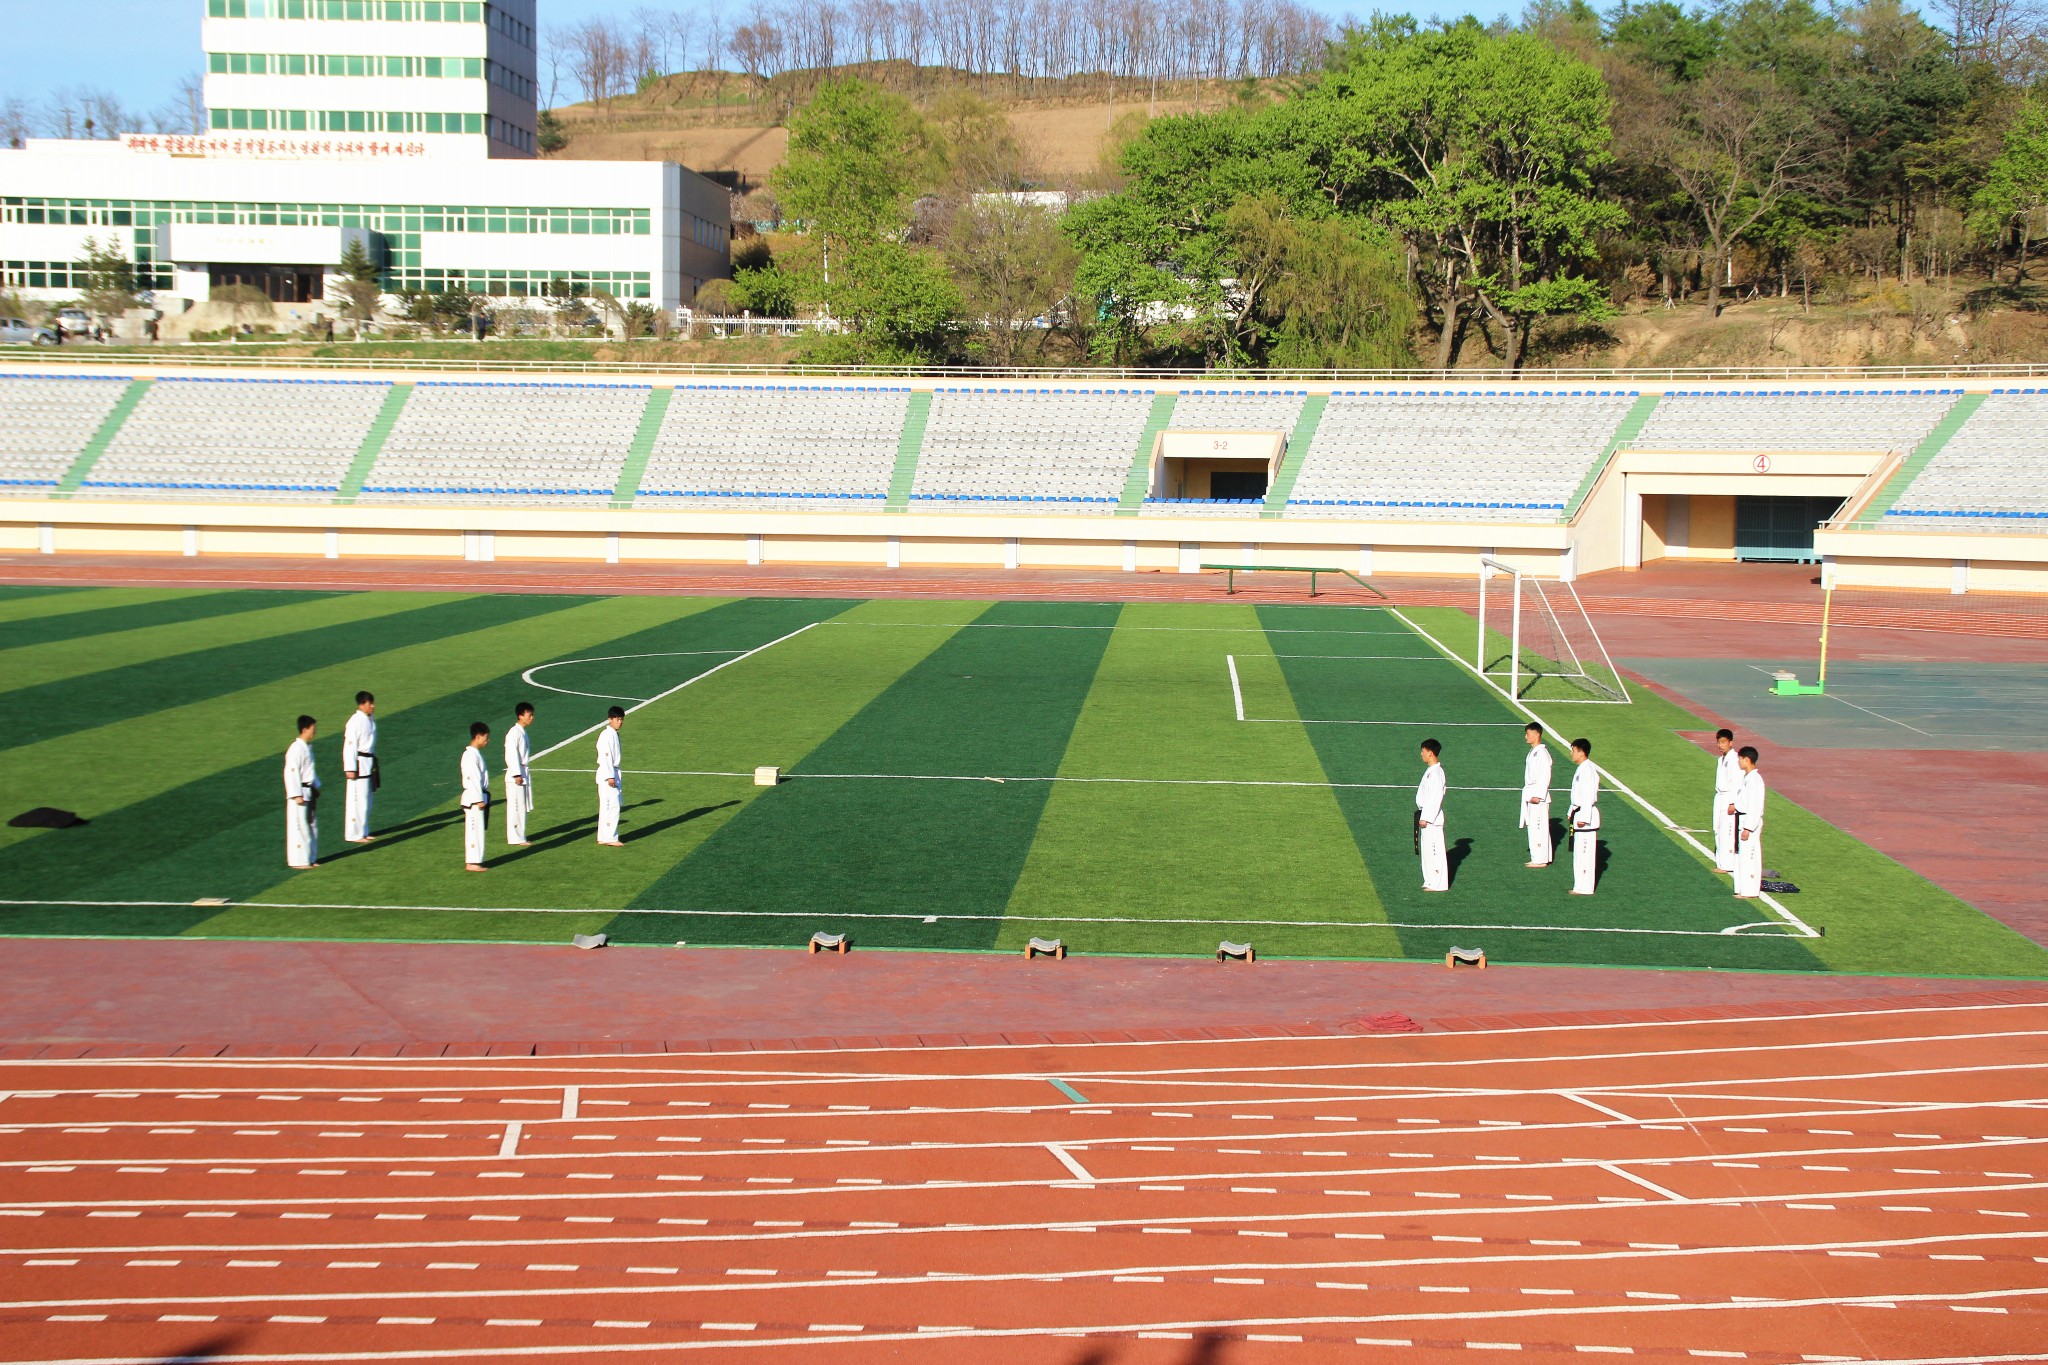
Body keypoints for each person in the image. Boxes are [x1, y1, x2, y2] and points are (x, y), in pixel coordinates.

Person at [284, 715, 320, 869]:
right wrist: (296, 793)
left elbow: (309, 771)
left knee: (311, 825)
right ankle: (299, 860)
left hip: (308, 790)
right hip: (300, 793)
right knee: (300, 827)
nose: (314, 731)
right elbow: (291, 772)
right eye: (313, 728)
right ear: (305, 729)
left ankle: (310, 857)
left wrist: (316, 786)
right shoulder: (296, 749)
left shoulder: (307, 747)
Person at [341, 690, 377, 843]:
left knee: (367, 801)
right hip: (358, 764)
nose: (373, 706)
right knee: (357, 801)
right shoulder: (355, 721)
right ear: (362, 705)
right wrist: (350, 768)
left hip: (368, 763)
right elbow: (349, 745)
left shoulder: (369, 719)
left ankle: (364, 830)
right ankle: (354, 834)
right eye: (370, 704)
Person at [1732, 746, 1767, 899]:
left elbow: (1756, 805)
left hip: (1749, 821)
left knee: (1750, 857)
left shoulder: (1755, 780)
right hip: (1741, 818)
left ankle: (1751, 890)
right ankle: (1743, 888)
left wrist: (1748, 827)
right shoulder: (1747, 778)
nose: (1738, 762)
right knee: (1742, 855)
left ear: (1747, 759)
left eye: (1740, 759)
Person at [1567, 737, 1600, 896]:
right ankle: (1579, 885)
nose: (1571, 753)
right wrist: (1571, 812)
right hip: (1579, 813)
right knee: (1579, 853)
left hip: (1586, 818)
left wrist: (1583, 817)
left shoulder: (1588, 770)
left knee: (1585, 853)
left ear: (1581, 752)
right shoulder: (1581, 769)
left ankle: (1585, 887)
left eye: (1573, 750)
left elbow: (1588, 796)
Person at [1415, 738, 1449, 892]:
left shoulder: (1437, 772)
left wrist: (1426, 818)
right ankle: (1430, 880)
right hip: (1426, 816)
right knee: (1427, 851)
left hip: (1432, 819)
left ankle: (1438, 883)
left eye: (1423, 751)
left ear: (1430, 753)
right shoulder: (1430, 771)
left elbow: (1435, 798)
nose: (1421, 754)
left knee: (1435, 851)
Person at [1521, 721, 1553, 868]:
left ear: (1536, 734)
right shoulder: (1533, 752)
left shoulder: (1542, 754)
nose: (1526, 736)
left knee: (1539, 826)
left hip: (1537, 796)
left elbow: (1545, 776)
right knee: (1533, 826)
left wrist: (1539, 795)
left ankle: (1540, 858)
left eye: (1528, 733)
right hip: (1531, 793)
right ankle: (1538, 856)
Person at [460, 721, 491, 872]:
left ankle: (476, 860)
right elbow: (472, 778)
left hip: (477, 797)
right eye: (486, 737)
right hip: (473, 799)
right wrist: (478, 799)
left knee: (478, 830)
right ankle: (472, 862)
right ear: (478, 737)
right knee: (473, 830)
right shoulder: (470, 755)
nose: (487, 740)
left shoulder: (474, 754)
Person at [504, 701, 535, 846]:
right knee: (515, 806)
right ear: (521, 715)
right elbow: (511, 754)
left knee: (521, 806)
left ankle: (520, 835)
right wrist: (516, 774)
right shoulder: (514, 733)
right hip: (516, 775)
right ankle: (515, 837)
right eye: (529, 715)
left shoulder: (522, 733)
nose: (532, 718)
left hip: (522, 772)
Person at [1711, 728, 1741, 874]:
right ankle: (1721, 861)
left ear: (1730, 742)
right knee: (1717, 828)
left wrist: (1733, 802)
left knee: (1727, 831)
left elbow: (1737, 782)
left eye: (1723, 742)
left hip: (1728, 797)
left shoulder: (1734, 759)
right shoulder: (1721, 759)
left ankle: (1728, 864)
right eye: (1719, 742)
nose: (1720, 745)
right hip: (1719, 796)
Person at [596, 705, 625, 846]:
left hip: (612, 771)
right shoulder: (606, 735)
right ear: (610, 719)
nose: (619, 722)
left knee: (607, 806)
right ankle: (610, 837)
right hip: (608, 774)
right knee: (611, 806)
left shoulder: (614, 734)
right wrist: (610, 776)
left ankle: (603, 836)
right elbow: (605, 756)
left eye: (621, 719)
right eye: (617, 719)